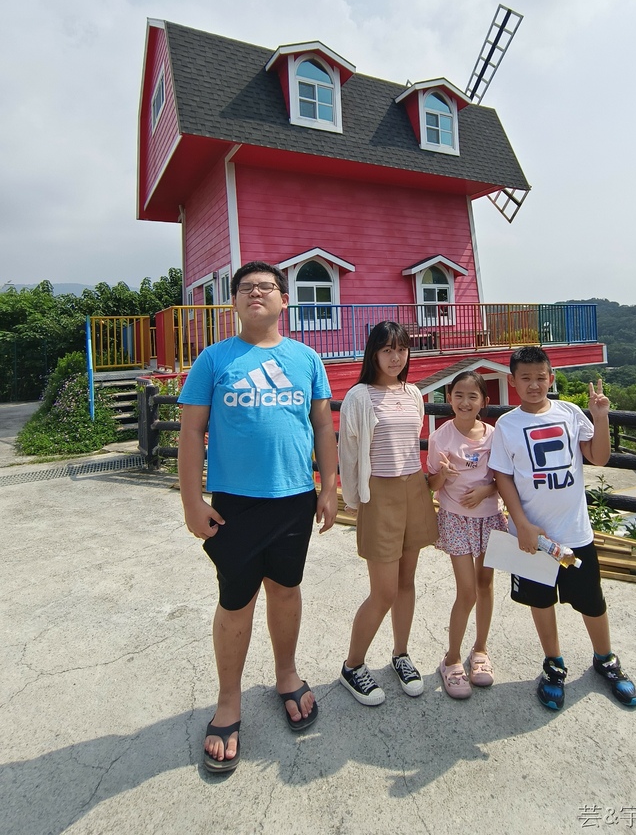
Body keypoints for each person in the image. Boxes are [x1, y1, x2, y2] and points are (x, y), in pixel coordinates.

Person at [178, 261, 338, 772]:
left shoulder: (307, 358)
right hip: (235, 504)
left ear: (284, 300)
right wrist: (191, 500)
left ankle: (286, 675)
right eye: (245, 288)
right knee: (236, 599)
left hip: (294, 498)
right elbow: (190, 434)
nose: (256, 294)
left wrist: (328, 487)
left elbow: (322, 426)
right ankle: (229, 702)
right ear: (234, 301)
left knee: (286, 590)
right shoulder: (213, 359)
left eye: (266, 287)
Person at [489, 346, 636, 711]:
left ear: (551, 378)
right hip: (532, 537)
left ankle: (605, 659)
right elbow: (503, 477)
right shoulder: (507, 425)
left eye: (541, 377)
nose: (534, 384)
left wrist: (600, 416)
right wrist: (521, 523)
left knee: (591, 600)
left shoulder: (571, 413)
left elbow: (599, 456)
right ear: (512, 382)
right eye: (525, 378)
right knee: (540, 602)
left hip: (575, 532)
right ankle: (553, 664)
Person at [337, 320, 438, 705]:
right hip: (379, 492)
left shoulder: (413, 392)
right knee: (383, 591)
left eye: (401, 349)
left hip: (414, 488)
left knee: (407, 582)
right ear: (373, 354)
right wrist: (352, 498)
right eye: (387, 350)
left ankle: (401, 654)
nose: (395, 357)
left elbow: (414, 442)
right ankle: (353, 665)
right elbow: (349, 452)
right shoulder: (359, 396)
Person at [427, 371, 508, 698]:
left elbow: (504, 478)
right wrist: (442, 476)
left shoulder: (494, 436)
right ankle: (452, 659)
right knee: (467, 591)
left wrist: (486, 489)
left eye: (472, 396)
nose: (465, 402)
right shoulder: (440, 438)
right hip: (455, 519)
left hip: (488, 517)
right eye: (458, 395)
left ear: (484, 403)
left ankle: (480, 651)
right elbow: (431, 485)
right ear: (449, 398)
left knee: (486, 584)